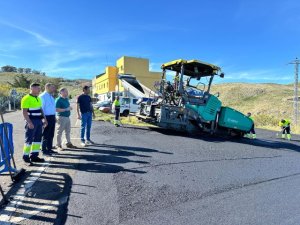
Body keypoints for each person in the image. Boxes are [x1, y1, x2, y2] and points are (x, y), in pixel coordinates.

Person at [21, 83, 47, 163]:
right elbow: (24, 112)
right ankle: (26, 157)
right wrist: (29, 122)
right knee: (29, 139)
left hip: (39, 121)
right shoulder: (26, 98)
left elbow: (40, 109)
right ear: (32, 88)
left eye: (40, 88)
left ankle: (34, 156)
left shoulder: (38, 98)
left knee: (37, 139)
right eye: (37, 88)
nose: (39, 90)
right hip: (31, 121)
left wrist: (44, 119)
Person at [39, 83, 56, 155]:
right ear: (47, 87)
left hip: (52, 117)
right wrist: (44, 119)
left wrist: (54, 117)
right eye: (52, 87)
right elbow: (41, 109)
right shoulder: (42, 96)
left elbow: (52, 108)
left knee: (51, 134)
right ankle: (44, 150)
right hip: (46, 117)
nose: (54, 89)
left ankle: (49, 148)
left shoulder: (51, 97)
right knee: (45, 134)